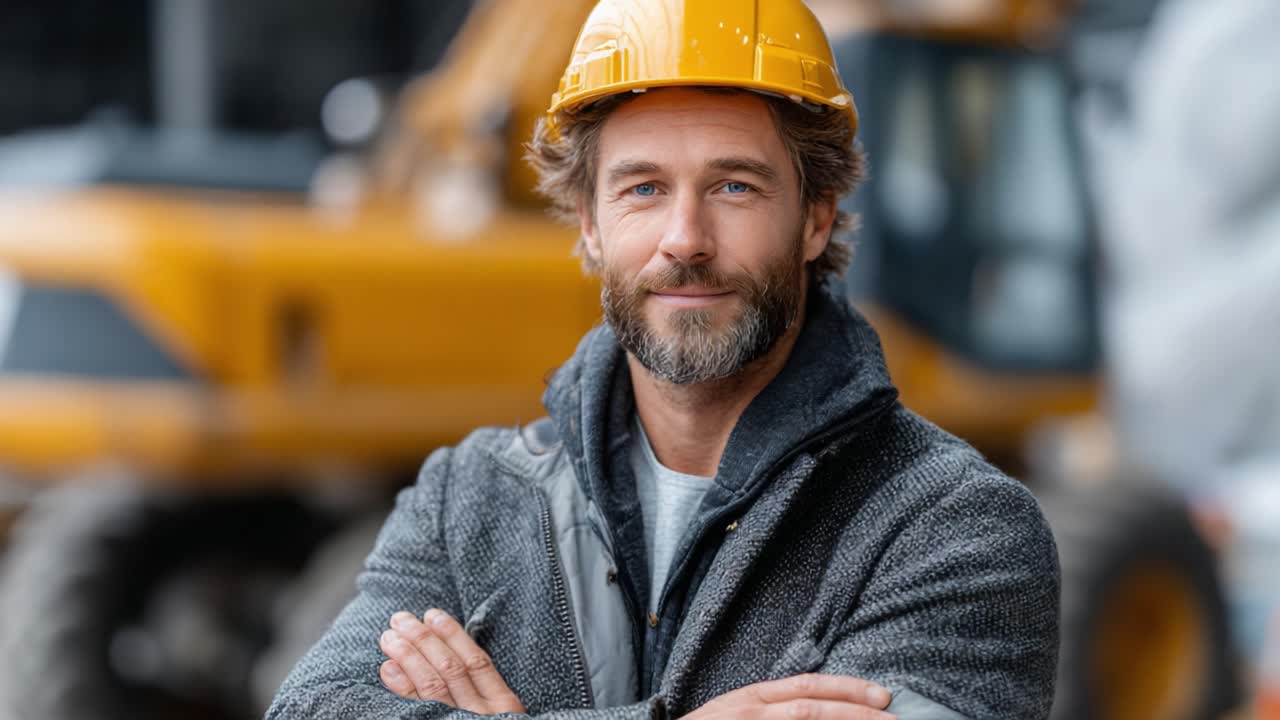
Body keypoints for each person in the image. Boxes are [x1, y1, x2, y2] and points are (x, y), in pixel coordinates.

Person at [267, 1, 1058, 718]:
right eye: (643, 189)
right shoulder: (465, 500)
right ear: (589, 224)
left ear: (817, 218)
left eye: (736, 188)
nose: (685, 238)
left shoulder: (952, 529)